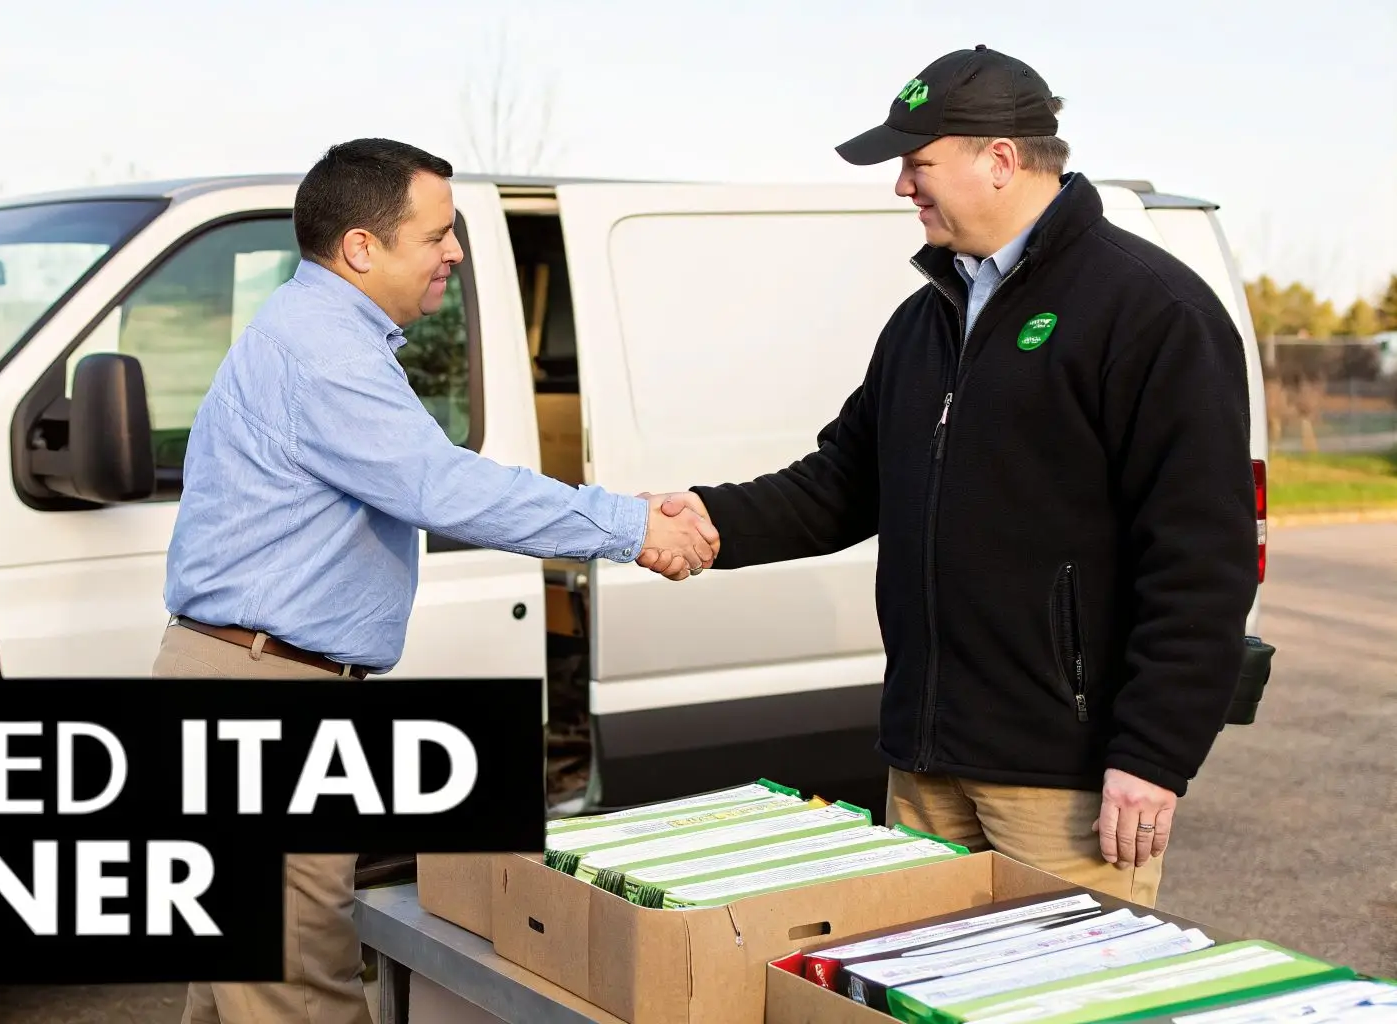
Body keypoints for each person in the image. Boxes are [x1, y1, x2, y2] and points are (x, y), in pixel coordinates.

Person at [643, 46, 1257, 908]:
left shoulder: (1153, 311)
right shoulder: (927, 318)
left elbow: (1202, 560)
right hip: (924, 765)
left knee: (1049, 1001)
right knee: (908, 991)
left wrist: (1152, 756)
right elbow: (842, 484)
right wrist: (701, 519)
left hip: (1063, 780)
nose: (902, 186)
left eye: (917, 161)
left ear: (999, 160)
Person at [152, 137, 718, 1024]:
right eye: (437, 235)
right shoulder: (321, 350)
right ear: (361, 248)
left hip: (246, 682)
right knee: (301, 991)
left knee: (237, 994)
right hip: (259, 696)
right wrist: (632, 527)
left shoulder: (314, 336)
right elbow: (441, 485)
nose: (454, 252)